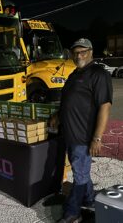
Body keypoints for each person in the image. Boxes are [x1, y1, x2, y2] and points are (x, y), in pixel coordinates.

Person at [50, 38, 113, 223]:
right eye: (75, 52)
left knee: (80, 175)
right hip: (70, 135)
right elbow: (70, 102)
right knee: (81, 171)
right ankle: (90, 199)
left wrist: (97, 138)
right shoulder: (73, 74)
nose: (79, 55)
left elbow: (105, 106)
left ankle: (73, 213)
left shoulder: (98, 74)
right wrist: (58, 115)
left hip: (83, 137)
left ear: (91, 52)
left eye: (83, 52)